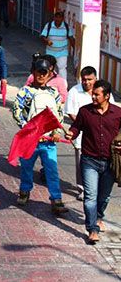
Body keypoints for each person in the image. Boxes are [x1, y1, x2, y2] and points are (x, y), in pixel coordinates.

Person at [65, 80, 121, 244]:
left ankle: (98, 217)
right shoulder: (85, 112)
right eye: (93, 94)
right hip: (89, 160)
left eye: (97, 94)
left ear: (107, 96)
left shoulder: (118, 113)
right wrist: (71, 133)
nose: (93, 97)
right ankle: (92, 229)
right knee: (90, 196)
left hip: (111, 162)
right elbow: (76, 127)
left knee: (104, 197)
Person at [12, 58, 68, 215]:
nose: (42, 75)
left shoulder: (54, 93)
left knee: (52, 170)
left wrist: (56, 131)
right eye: (39, 72)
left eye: (45, 72)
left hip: (48, 142)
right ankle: (24, 191)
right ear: (33, 72)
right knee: (26, 168)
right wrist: (28, 129)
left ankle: (56, 199)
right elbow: (17, 112)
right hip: (29, 140)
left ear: (49, 74)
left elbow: (59, 114)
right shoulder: (25, 91)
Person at [65, 66, 115, 201]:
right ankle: (83, 189)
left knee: (103, 188)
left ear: (95, 78)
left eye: (90, 79)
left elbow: (113, 113)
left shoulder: (103, 91)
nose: (86, 82)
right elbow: (71, 112)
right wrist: (86, 124)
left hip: (104, 143)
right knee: (83, 167)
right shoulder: (74, 91)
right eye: (84, 79)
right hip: (83, 139)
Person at [40, 11, 75, 81]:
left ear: (63, 18)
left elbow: (71, 38)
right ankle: (51, 84)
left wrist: (75, 50)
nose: (58, 19)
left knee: (62, 68)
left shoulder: (66, 27)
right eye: (56, 17)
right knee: (50, 69)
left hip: (62, 52)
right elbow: (42, 36)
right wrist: (47, 41)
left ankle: (63, 86)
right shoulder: (49, 25)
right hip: (50, 52)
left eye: (60, 17)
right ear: (54, 17)